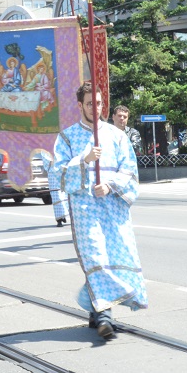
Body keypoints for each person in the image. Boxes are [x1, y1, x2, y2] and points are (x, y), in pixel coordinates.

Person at [49, 81, 146, 341]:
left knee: (116, 256)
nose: (96, 108)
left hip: (113, 207)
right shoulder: (67, 136)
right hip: (85, 209)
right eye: (90, 103)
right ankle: (105, 316)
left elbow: (130, 169)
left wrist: (111, 185)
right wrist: (84, 160)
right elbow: (56, 175)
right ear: (80, 105)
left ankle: (94, 304)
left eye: (100, 103)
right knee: (96, 258)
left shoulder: (117, 135)